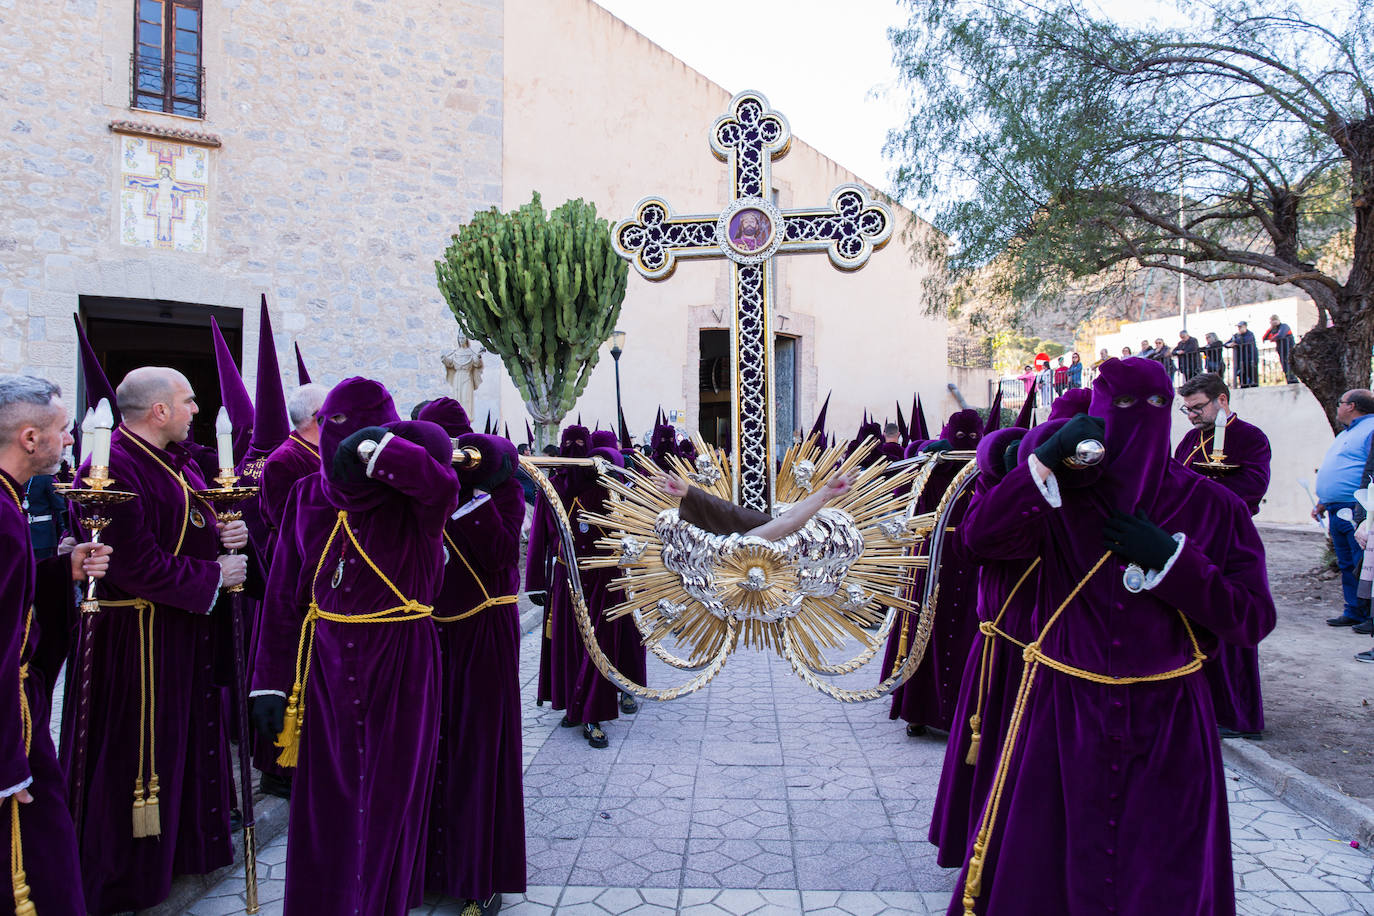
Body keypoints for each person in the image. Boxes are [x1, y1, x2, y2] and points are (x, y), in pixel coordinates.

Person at [950, 357, 1275, 916]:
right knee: (1047, 862)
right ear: (1098, 413)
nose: (1139, 420)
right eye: (1122, 407)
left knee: (1164, 866)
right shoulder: (1058, 501)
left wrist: (1174, 563)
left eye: (1155, 407)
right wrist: (1039, 465)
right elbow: (980, 542)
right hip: (1061, 710)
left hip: (1171, 719)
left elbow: (1252, 619)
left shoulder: (1211, 505)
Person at [249, 377, 458, 916]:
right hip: (325, 662)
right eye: (335, 429)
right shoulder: (303, 494)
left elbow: (442, 486)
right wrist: (268, 681)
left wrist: (375, 449)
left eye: (361, 430)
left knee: (392, 797)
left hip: (402, 657)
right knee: (326, 802)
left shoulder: (413, 496)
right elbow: (281, 596)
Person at [63, 367, 249, 916]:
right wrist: (216, 575)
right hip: (134, 641)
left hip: (177, 630)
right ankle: (126, 876)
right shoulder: (111, 467)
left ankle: (184, 852)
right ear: (159, 411)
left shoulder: (177, 461)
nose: (197, 411)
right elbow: (135, 564)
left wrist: (227, 532)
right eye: (189, 402)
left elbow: (191, 523)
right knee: (136, 751)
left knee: (186, 741)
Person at [0, 376, 111, 916]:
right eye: (63, 431)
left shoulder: (7, 498)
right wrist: (8, 763)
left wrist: (57, 572)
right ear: (28, 437)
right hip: (8, 728)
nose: (70, 441)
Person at [416, 399, 526, 916]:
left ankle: (479, 873)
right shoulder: (416, 483)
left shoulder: (497, 482)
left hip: (484, 631)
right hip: (426, 632)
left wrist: (466, 494)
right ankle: (423, 870)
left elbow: (503, 553)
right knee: (427, 753)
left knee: (478, 753)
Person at [1174, 373, 1273, 739]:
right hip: (1192, 544)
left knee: (1230, 627)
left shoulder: (1250, 438)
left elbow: (1252, 486)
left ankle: (1238, 715)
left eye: (1198, 408)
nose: (1192, 416)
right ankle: (1202, 707)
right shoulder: (1189, 439)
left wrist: (1198, 494)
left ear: (1222, 401)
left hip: (1230, 544)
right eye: (1187, 409)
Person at [251, 381, 328, 799]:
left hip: (316, 587)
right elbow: (288, 530)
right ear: (318, 419)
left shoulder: (319, 455)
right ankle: (279, 767)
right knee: (289, 674)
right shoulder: (285, 460)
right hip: (295, 586)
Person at [1311, 390, 1374, 630]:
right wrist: (1323, 500)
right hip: (1336, 508)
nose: (1338, 407)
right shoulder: (1348, 433)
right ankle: (1354, 610)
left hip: (1357, 509)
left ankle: (1370, 615)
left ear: (1352, 406)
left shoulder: (1370, 429)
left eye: (1341, 403)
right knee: (1346, 563)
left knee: (1364, 564)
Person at [1263, 314, 1298, 384]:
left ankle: (1293, 379)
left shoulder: (1284, 326)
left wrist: (1273, 338)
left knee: (1290, 364)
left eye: (1275, 320)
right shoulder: (1273, 330)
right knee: (1284, 366)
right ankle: (1289, 379)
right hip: (1281, 350)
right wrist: (1270, 329)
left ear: (1279, 320)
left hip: (1289, 348)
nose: (1274, 322)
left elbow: (1281, 335)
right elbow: (1264, 338)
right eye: (1272, 321)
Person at [1225, 321, 1259, 388]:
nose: (1239, 329)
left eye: (1240, 327)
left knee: (1252, 376)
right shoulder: (1236, 335)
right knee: (1242, 375)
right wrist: (1230, 344)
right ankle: (1243, 385)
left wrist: (1235, 342)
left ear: (1245, 327)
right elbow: (1226, 344)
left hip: (1250, 359)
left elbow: (1244, 341)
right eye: (1238, 327)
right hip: (1241, 359)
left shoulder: (1250, 334)